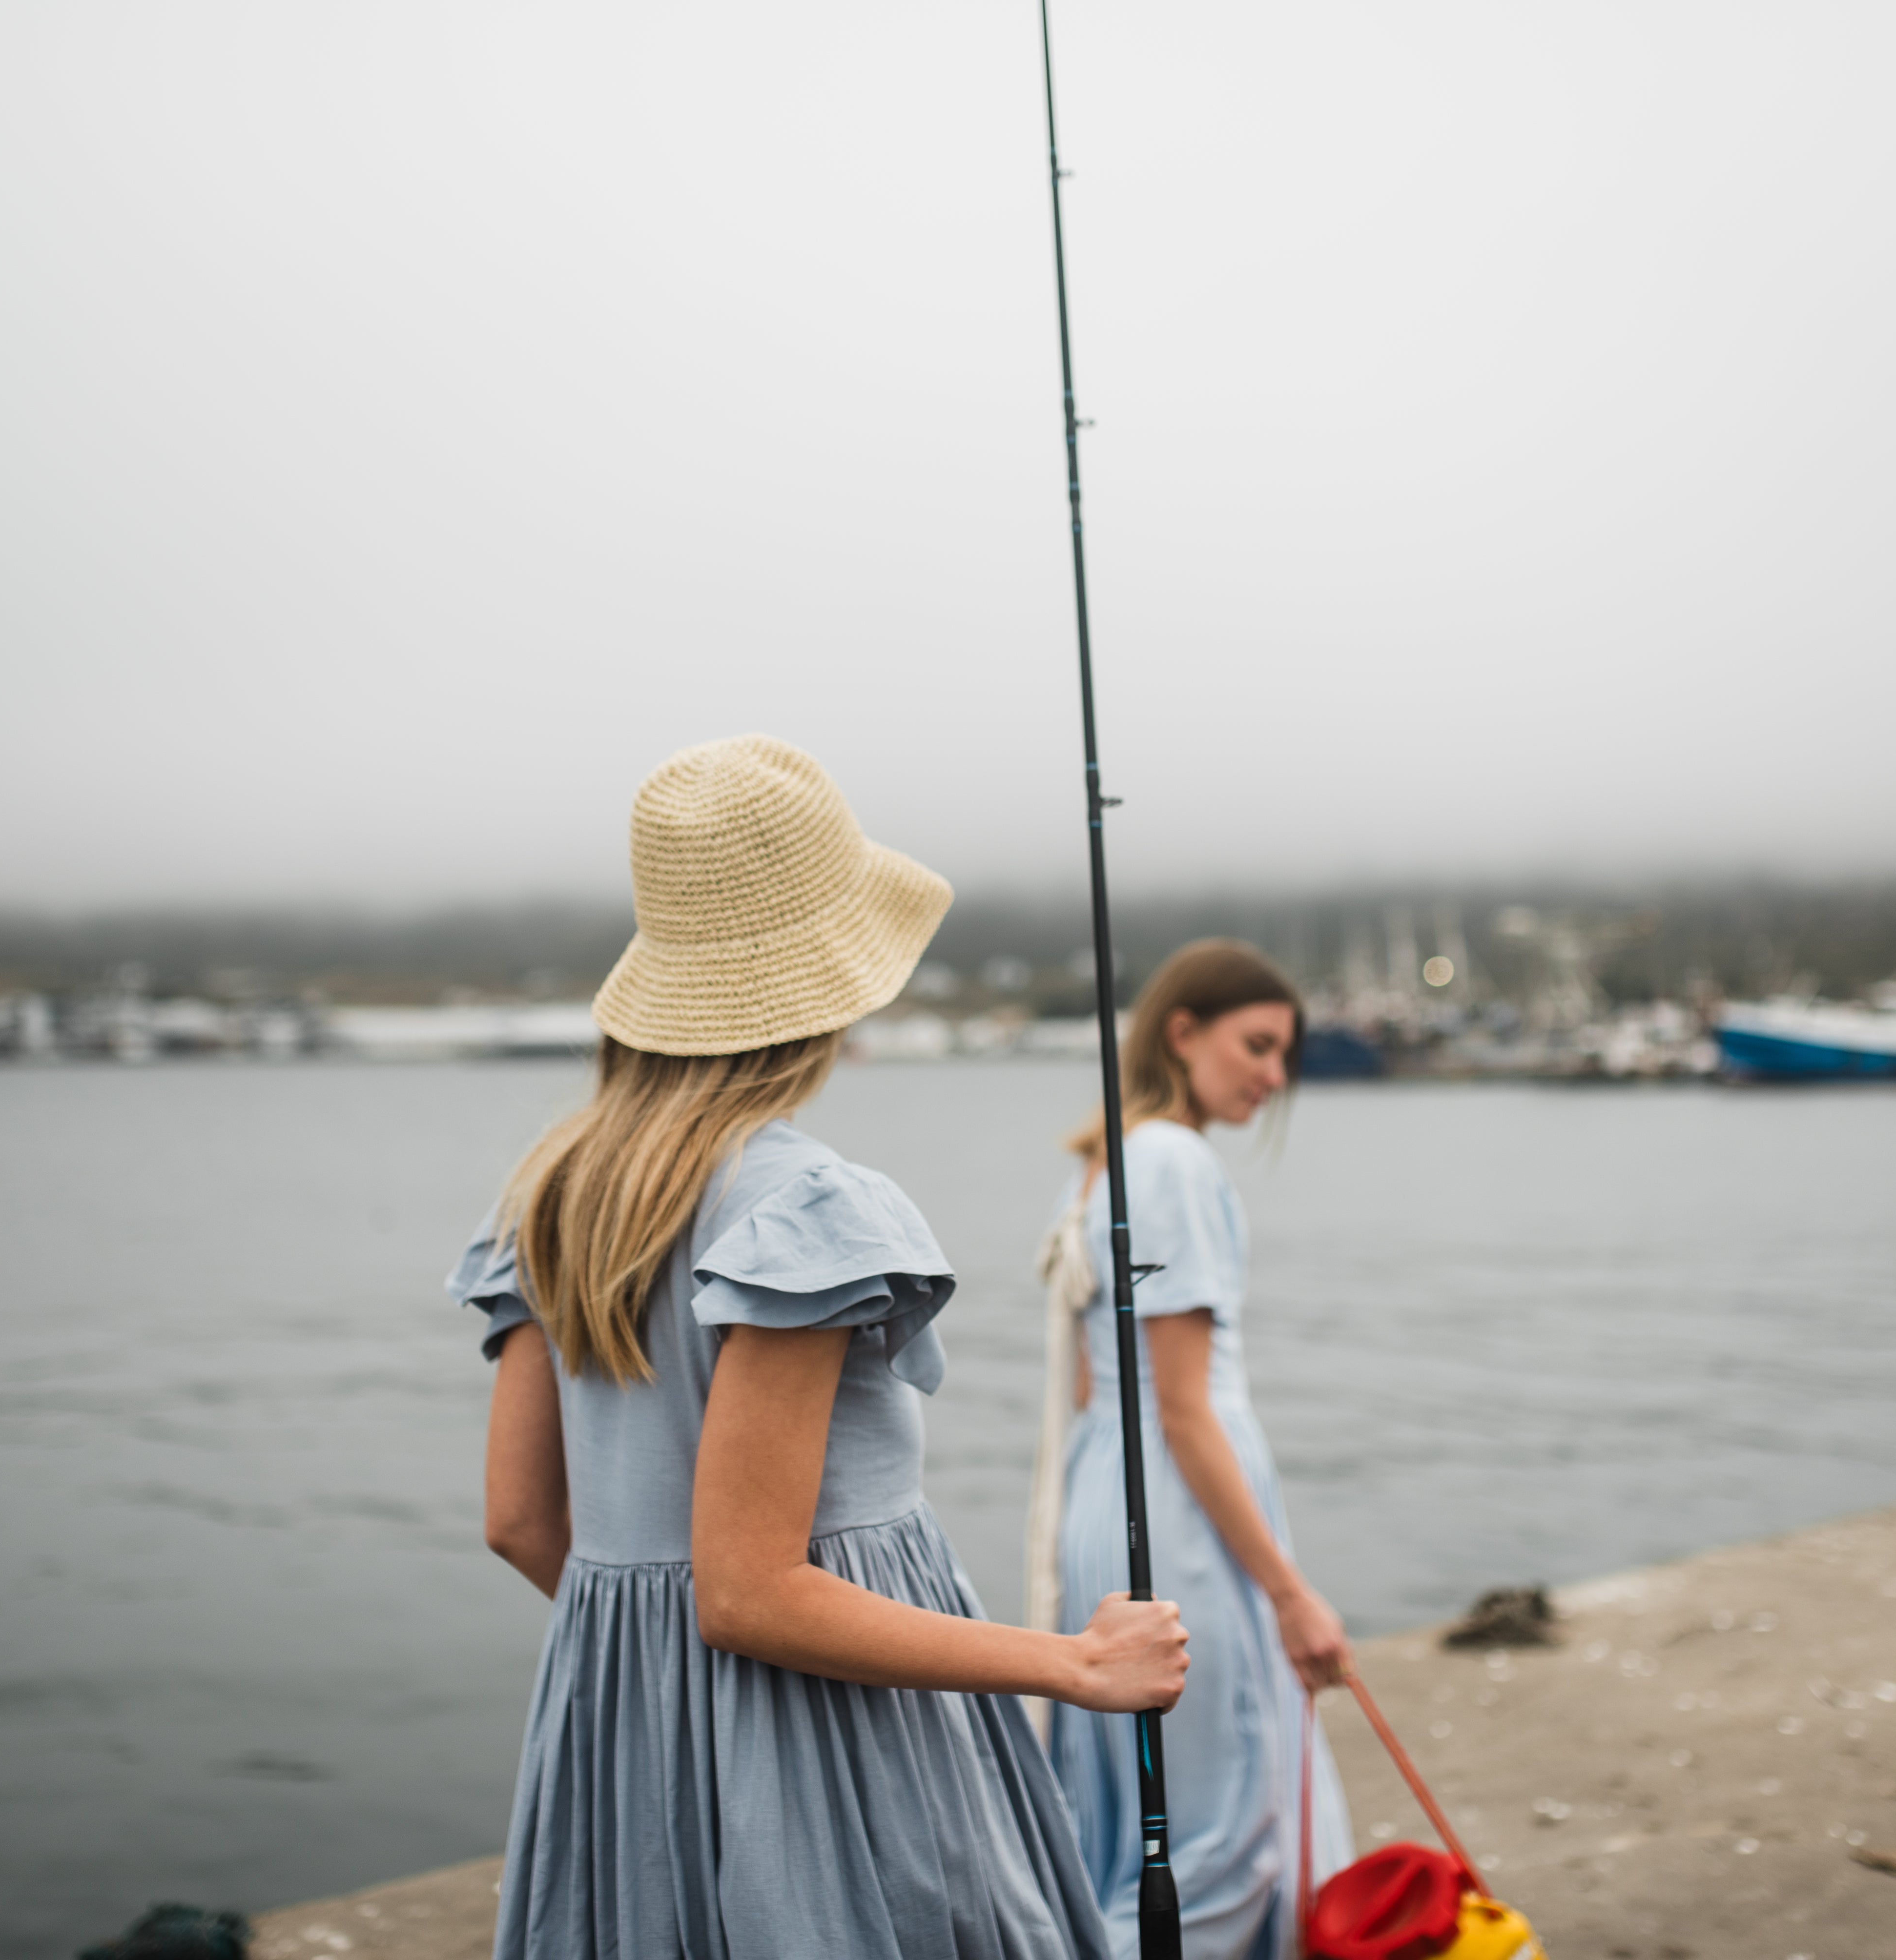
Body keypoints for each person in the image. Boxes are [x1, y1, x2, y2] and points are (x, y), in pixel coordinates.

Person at [458, 734, 1189, 1960]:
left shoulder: (551, 1195)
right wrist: (1071, 1661)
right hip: (841, 1747)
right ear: (832, 987)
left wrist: (666, 1675)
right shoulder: (805, 1209)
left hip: (631, 1755)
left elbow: (523, 1524)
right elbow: (750, 1592)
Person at [1042, 939, 1354, 1960]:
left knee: (1141, 1814)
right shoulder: (1173, 1161)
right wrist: (1289, 1591)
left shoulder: (1105, 1163)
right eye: (1256, 1045)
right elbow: (1180, 1410)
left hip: (1108, 1491)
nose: (1272, 1075)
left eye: (1284, 1056)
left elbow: (1100, 1389)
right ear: (1183, 1033)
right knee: (1222, 1833)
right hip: (1177, 1510)